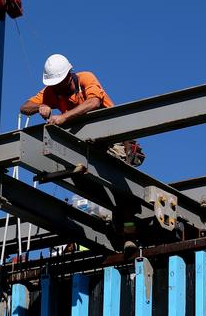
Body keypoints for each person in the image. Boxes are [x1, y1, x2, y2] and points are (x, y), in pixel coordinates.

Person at [20, 54, 143, 251]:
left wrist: (63, 118)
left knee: (122, 193)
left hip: (110, 138)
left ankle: (129, 235)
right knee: (86, 184)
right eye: (54, 85)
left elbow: (93, 103)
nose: (57, 88)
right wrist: (39, 107)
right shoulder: (52, 91)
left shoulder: (86, 78)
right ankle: (116, 227)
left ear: (69, 75)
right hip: (86, 147)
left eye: (59, 83)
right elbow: (24, 107)